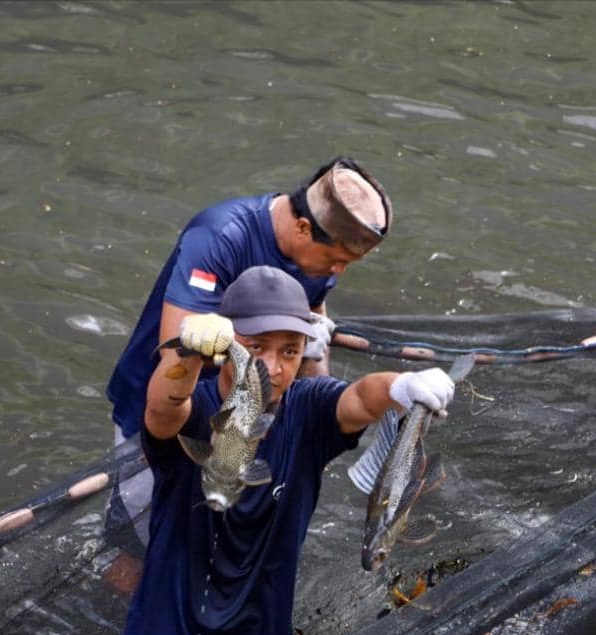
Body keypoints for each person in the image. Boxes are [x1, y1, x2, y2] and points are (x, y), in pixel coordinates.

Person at [106, 266, 455, 635]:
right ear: (229, 346)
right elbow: (162, 407)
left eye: (290, 351)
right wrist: (185, 354)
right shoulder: (199, 413)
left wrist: (404, 387)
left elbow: (362, 397)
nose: (273, 365)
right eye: (256, 347)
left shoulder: (307, 412)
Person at [101, 157, 392, 585]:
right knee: (146, 551)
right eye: (335, 260)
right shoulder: (218, 237)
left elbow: (311, 337)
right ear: (304, 228)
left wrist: (311, 418)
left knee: (228, 549)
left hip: (251, 424)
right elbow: (175, 350)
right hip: (170, 417)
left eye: (348, 264)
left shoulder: (317, 260)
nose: (338, 272)